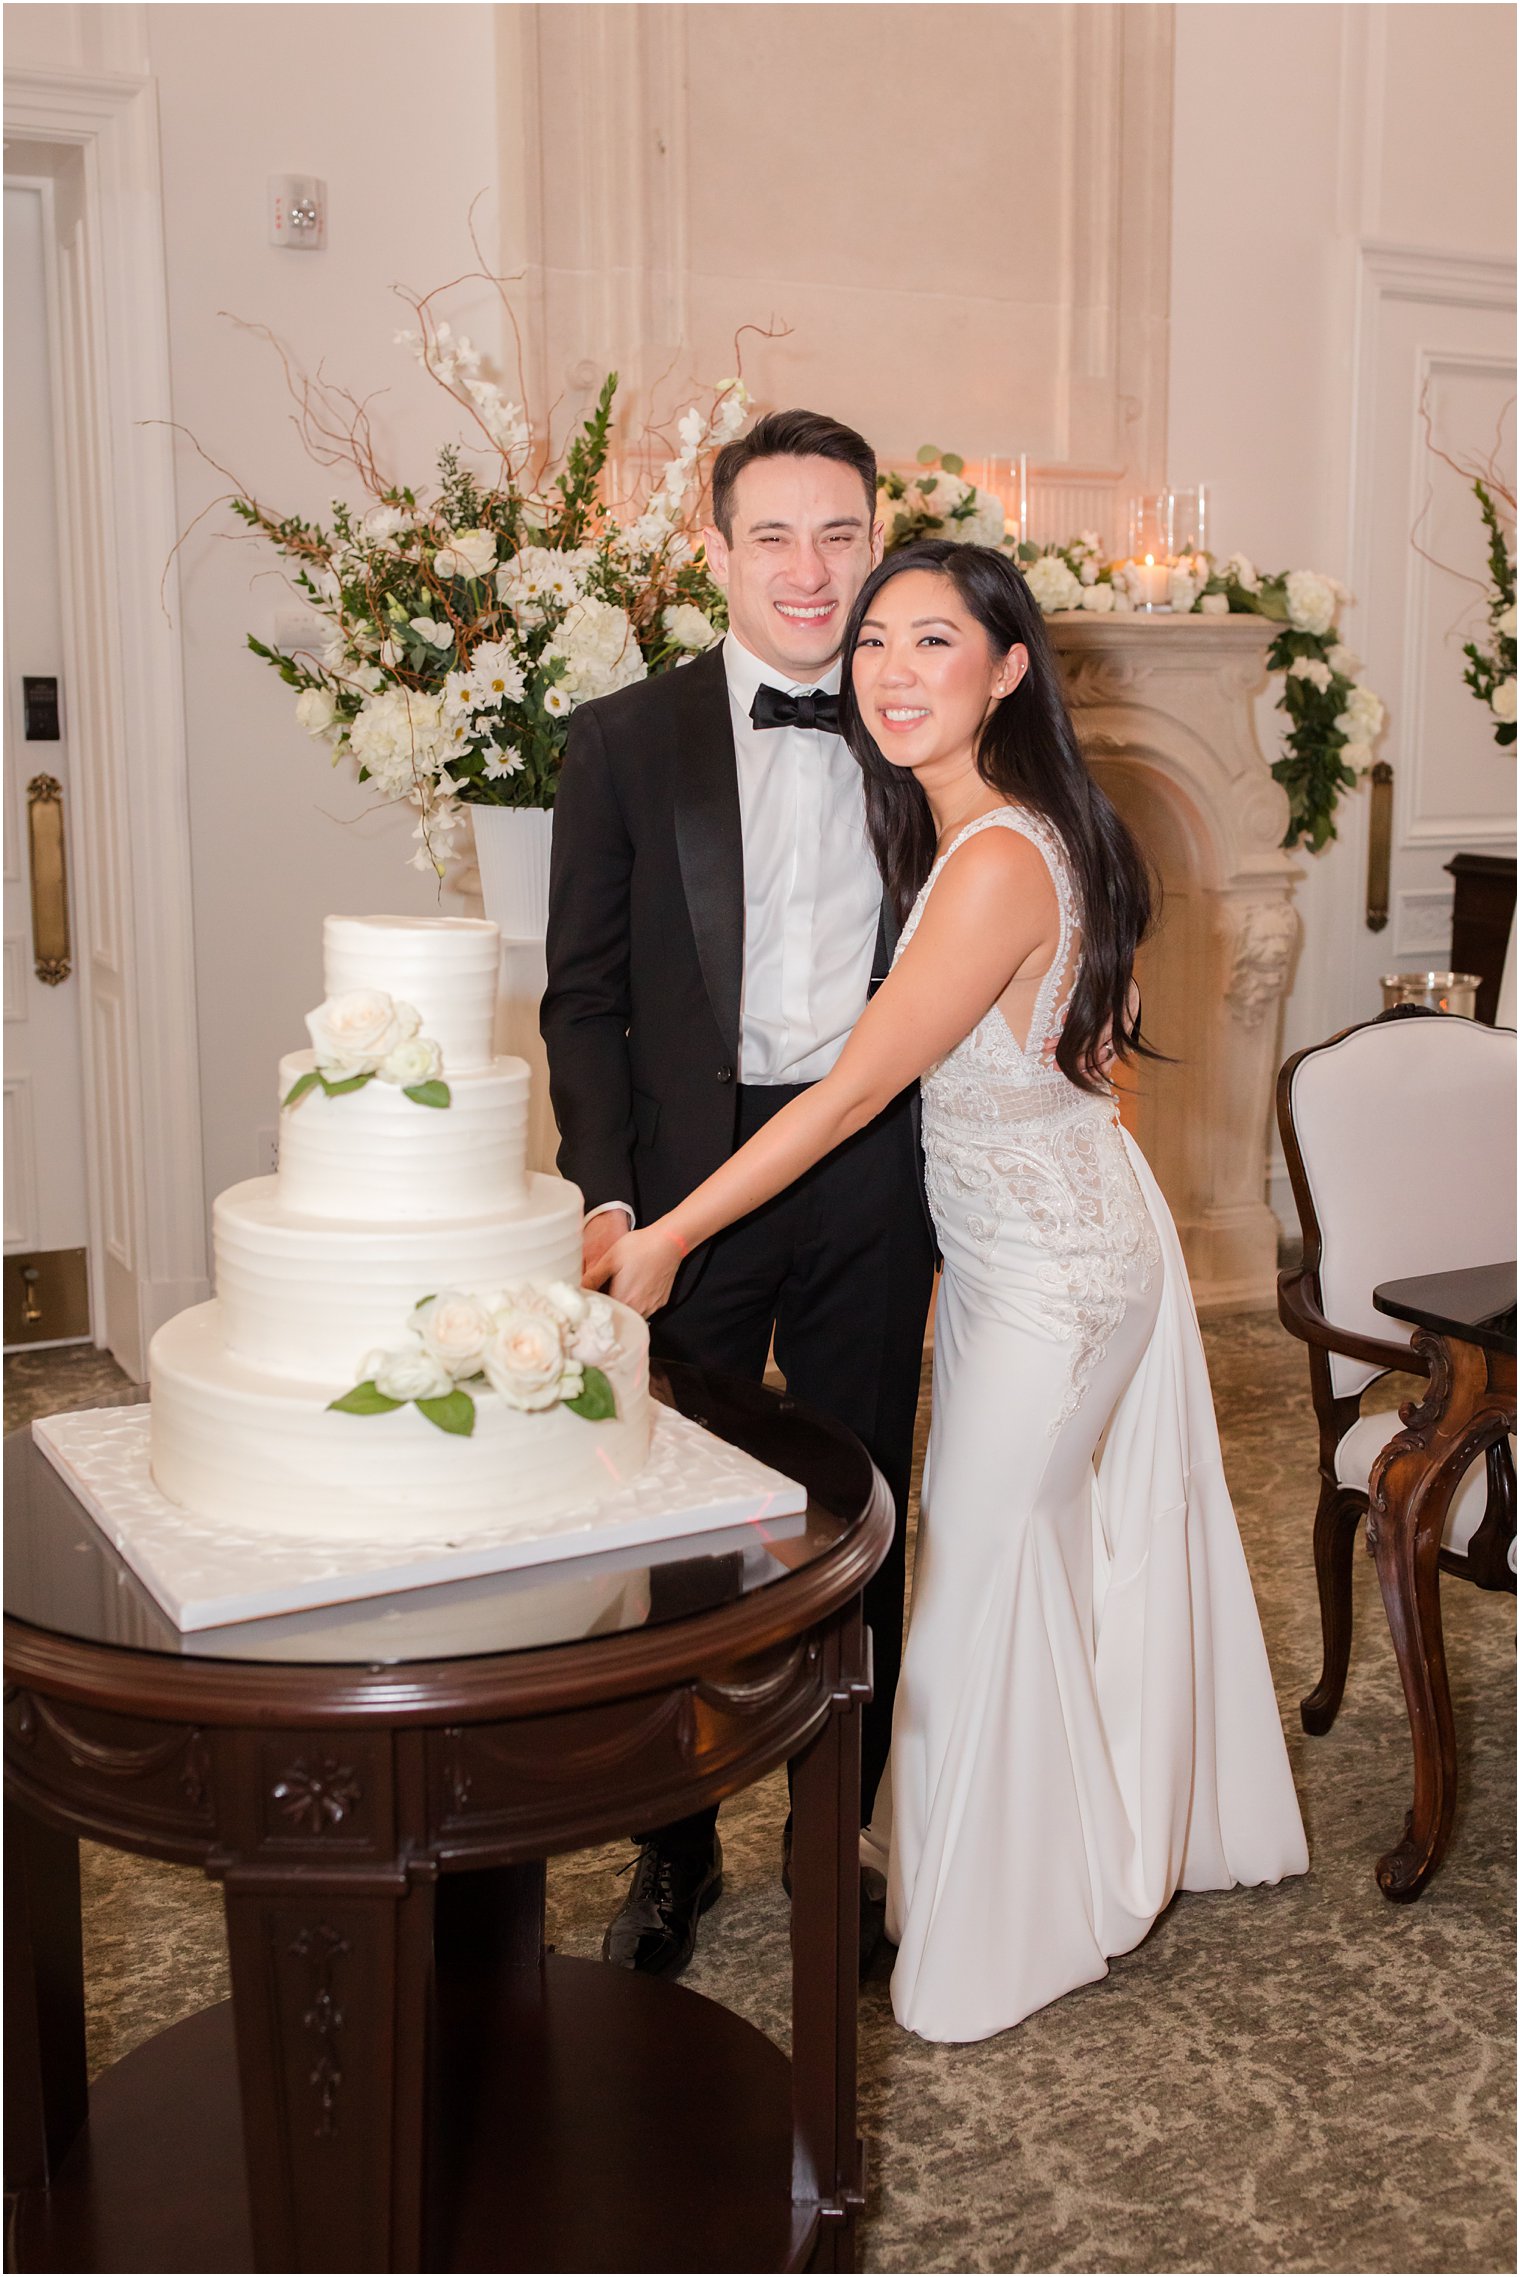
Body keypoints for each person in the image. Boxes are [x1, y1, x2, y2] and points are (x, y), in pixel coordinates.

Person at [591, 540, 1310, 2044]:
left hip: (1053, 1269)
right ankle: (1009, 1862)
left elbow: (852, 1096)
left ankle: (1001, 1929)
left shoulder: (992, 855)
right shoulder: (989, 825)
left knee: (979, 1566)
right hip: (1023, 1246)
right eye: (875, 645)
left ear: (1008, 668)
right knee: (1007, 1553)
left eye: (935, 641)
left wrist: (666, 1237)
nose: (894, 672)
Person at [541, 411, 936, 1979]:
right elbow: (581, 998)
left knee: (864, 1508)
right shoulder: (623, 738)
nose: (810, 569)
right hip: (686, 1182)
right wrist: (613, 1196)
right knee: (683, 1530)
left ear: (877, 538)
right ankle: (674, 1844)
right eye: (772, 535)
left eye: (840, 533)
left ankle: (833, 1830)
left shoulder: (921, 719)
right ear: (712, 553)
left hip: (872, 1172)